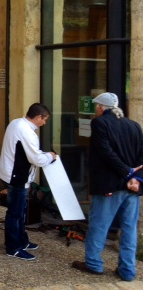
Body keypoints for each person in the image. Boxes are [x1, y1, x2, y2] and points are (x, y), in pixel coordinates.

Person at [71, 92, 143, 281]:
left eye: (96, 107)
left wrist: (126, 172)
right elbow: (141, 157)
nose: (96, 110)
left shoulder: (100, 123)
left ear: (101, 108)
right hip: (132, 187)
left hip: (110, 185)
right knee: (129, 229)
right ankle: (127, 270)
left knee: (99, 225)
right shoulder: (134, 125)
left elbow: (106, 152)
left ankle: (94, 264)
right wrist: (136, 178)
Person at [0, 103, 56, 261]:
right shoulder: (26, 132)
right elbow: (36, 158)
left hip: (9, 173)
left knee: (20, 210)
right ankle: (13, 247)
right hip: (16, 177)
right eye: (44, 120)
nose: (44, 123)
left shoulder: (16, 123)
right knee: (15, 213)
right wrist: (51, 156)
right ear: (38, 117)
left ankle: (22, 240)